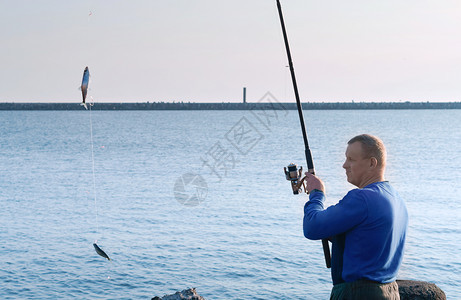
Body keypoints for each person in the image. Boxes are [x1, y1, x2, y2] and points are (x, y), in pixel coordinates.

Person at [303, 134, 408, 300]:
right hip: (389, 292)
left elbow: (311, 227)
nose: (344, 165)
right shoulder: (396, 199)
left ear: (372, 163)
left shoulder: (362, 198)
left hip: (358, 293)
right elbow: (367, 241)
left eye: (351, 159)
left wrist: (317, 194)